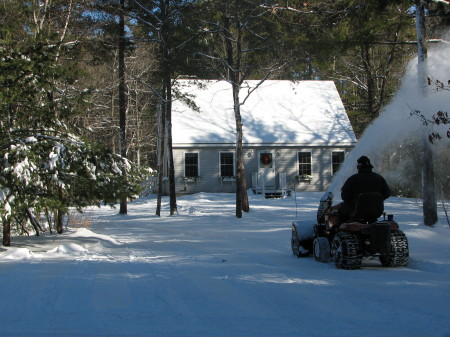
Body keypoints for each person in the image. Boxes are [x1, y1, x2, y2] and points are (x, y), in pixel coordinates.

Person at [329, 156, 390, 226]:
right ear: (370, 166)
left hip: (356, 211)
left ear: (358, 167)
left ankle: (339, 229)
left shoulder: (352, 179)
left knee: (340, 211)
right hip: (376, 210)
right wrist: (376, 200)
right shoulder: (380, 178)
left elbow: (345, 196)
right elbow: (387, 194)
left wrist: (353, 201)